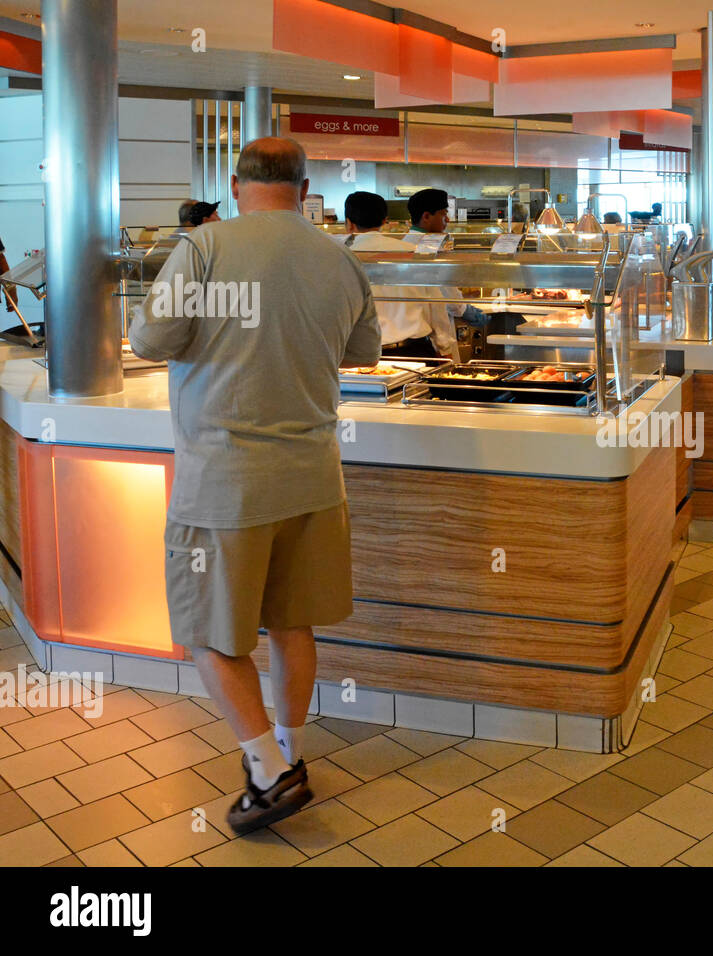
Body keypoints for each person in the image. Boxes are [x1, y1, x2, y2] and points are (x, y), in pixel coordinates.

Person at [127, 137, 382, 835]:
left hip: (226, 481)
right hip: (312, 477)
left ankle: (269, 771)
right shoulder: (339, 258)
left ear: (236, 185)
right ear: (304, 190)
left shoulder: (204, 249)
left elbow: (150, 341)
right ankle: (293, 752)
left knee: (209, 633)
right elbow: (364, 352)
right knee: (289, 623)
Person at [344, 190, 464, 361]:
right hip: (416, 351)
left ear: (348, 223)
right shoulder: (413, 253)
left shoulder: (342, 256)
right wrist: (445, 349)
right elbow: (436, 306)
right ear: (385, 220)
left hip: (365, 355)